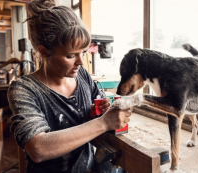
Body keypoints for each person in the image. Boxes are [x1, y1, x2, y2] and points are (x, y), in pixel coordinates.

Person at [7, 0, 131, 172]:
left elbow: (96, 109)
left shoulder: (82, 76)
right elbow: (37, 148)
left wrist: (103, 110)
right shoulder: (24, 90)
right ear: (44, 52)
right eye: (71, 55)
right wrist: (103, 123)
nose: (80, 62)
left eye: (83, 52)